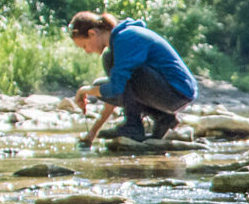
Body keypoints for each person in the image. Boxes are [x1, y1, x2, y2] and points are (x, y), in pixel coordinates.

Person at [70, 11, 198, 144]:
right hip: (168, 93)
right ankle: (163, 117)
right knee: (105, 73)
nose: (87, 51)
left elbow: (117, 87)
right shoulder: (118, 43)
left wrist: (84, 91)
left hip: (177, 93)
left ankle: (133, 127)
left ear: (92, 33)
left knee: (123, 74)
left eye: (85, 46)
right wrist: (92, 133)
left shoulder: (126, 38)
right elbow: (119, 92)